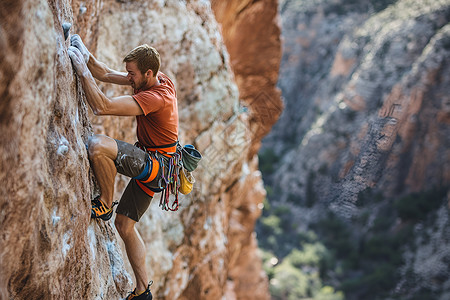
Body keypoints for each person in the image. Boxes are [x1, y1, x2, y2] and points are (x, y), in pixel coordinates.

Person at [68, 34, 179, 300]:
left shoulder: (155, 97)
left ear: (148, 73)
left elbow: (101, 107)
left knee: (98, 146)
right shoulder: (157, 79)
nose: (128, 77)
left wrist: (82, 72)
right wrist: (84, 53)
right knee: (125, 225)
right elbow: (105, 73)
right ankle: (143, 291)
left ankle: (105, 203)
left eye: (132, 73)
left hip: (155, 165)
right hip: (159, 167)